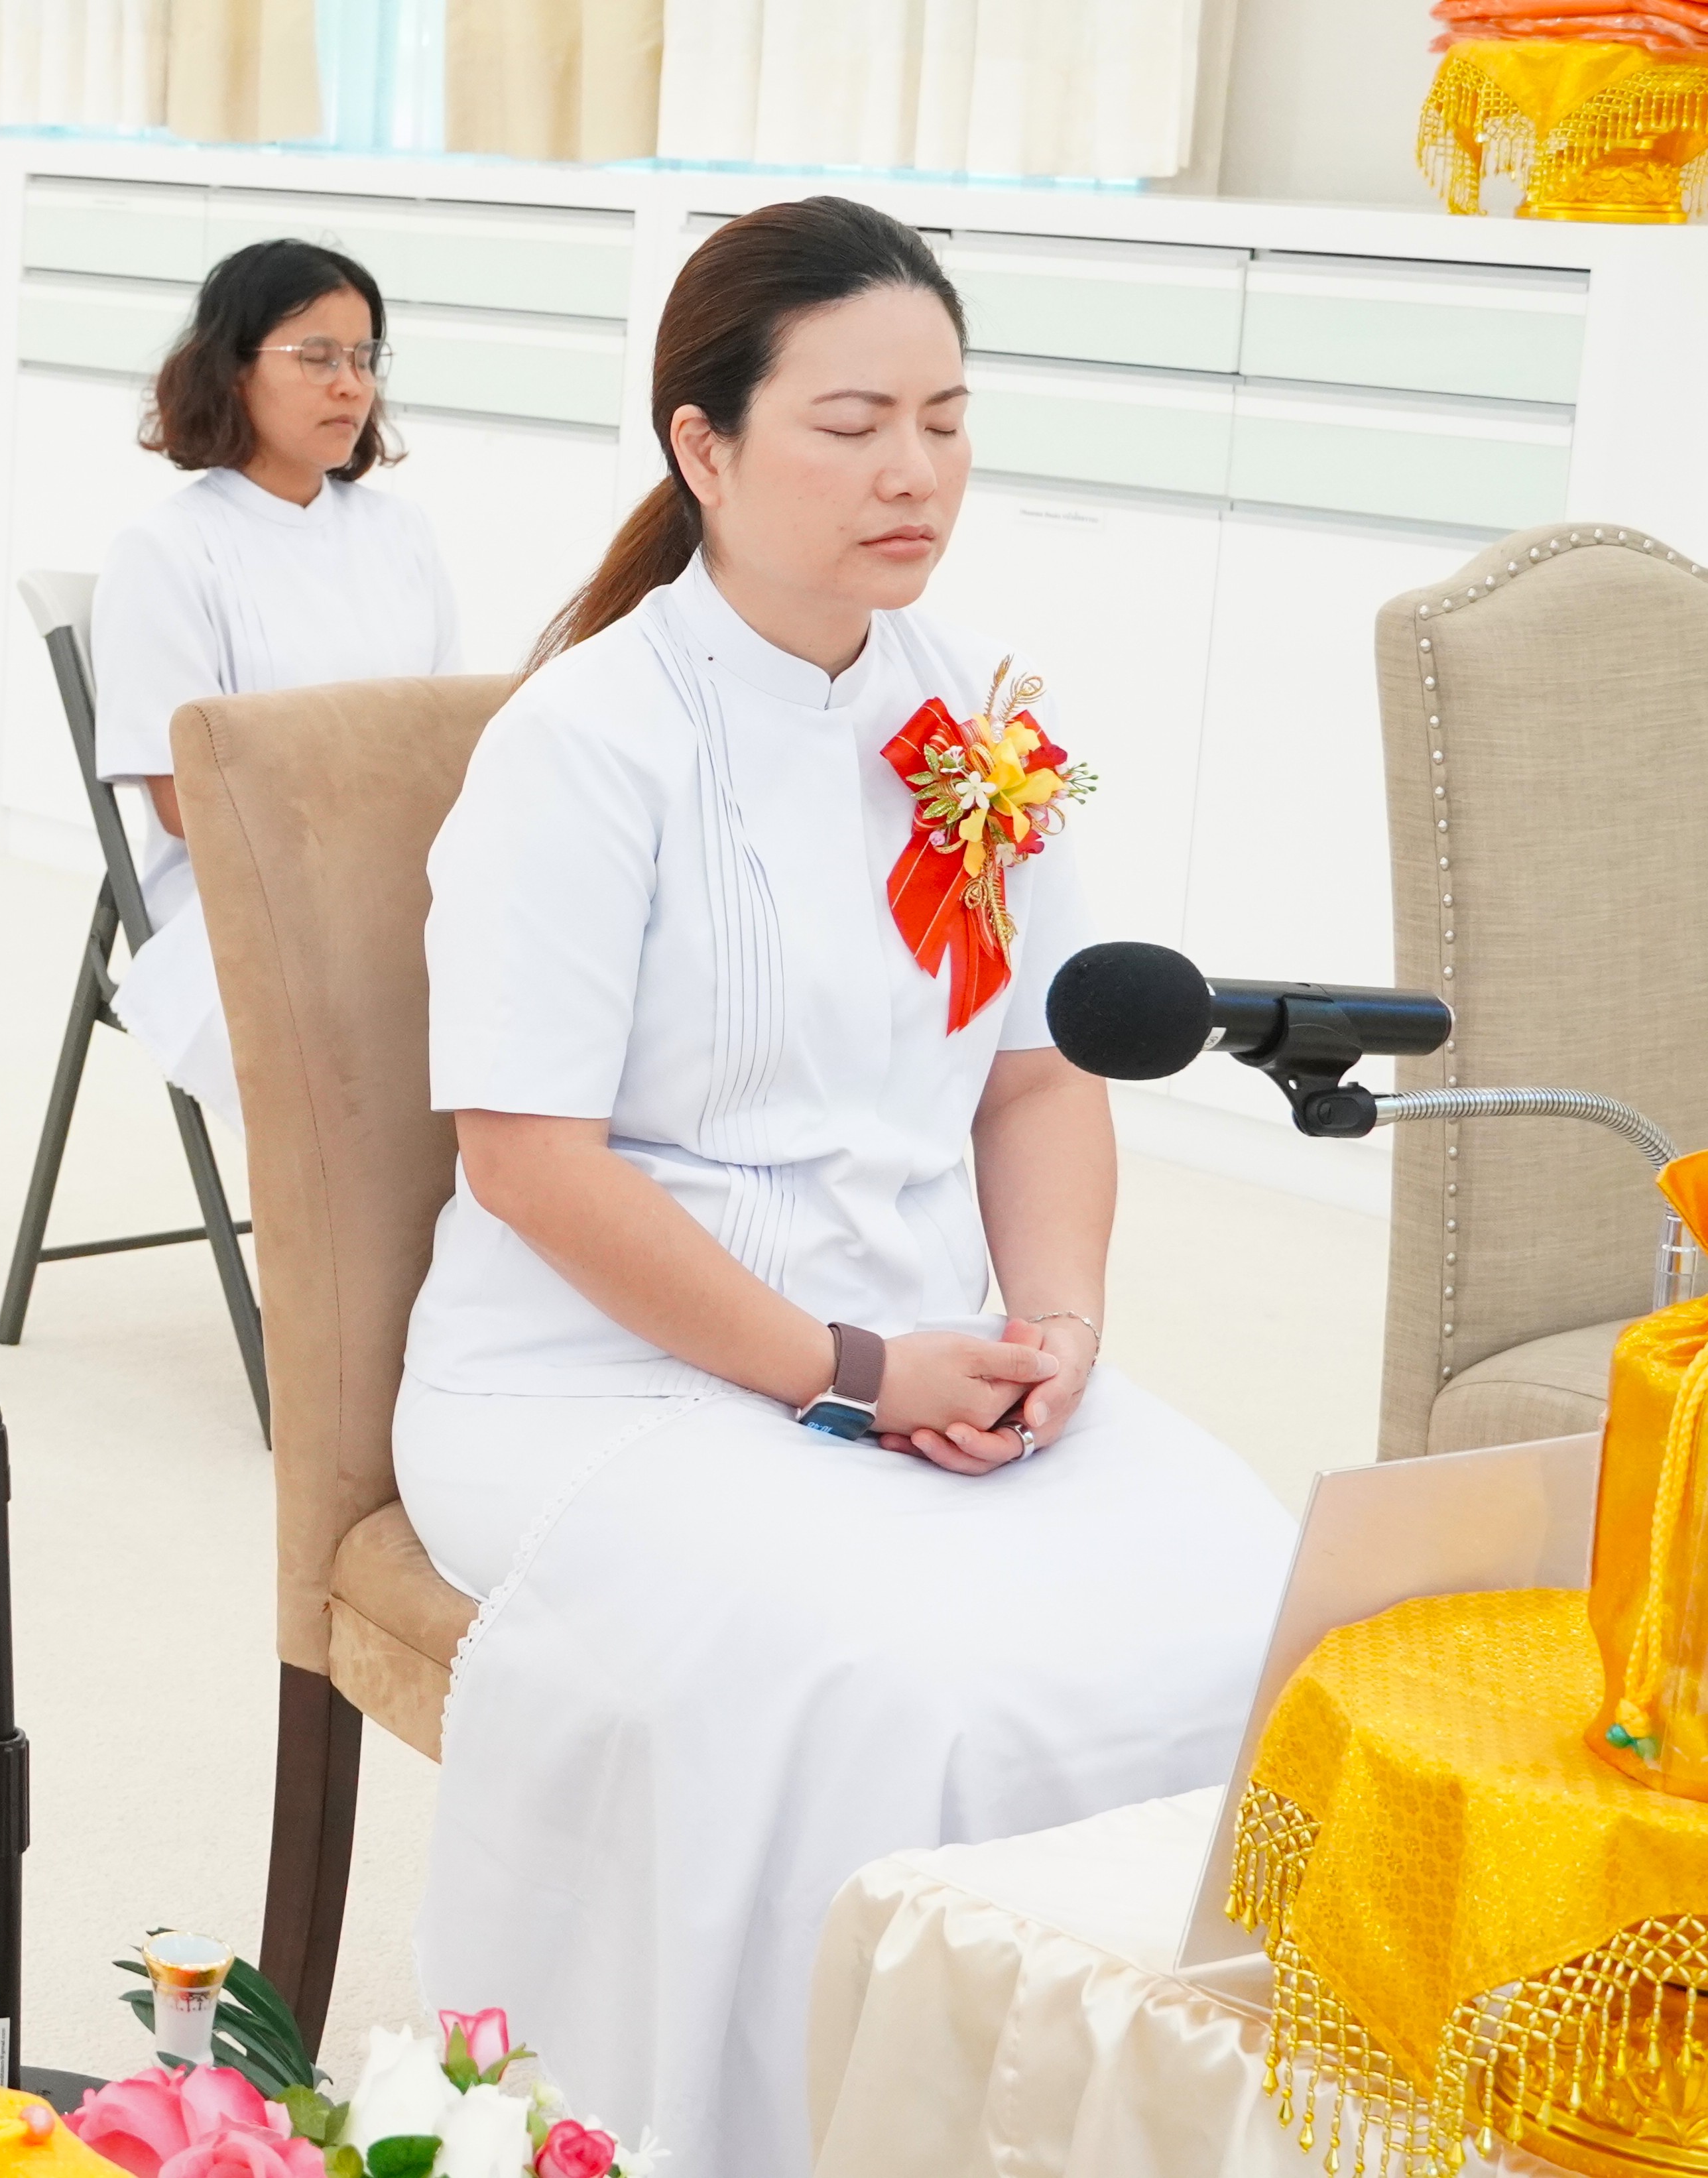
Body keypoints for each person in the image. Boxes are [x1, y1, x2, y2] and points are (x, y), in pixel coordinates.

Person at [394, 198, 1294, 2178]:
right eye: (854, 420)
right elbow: (527, 1163)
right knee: (913, 1687)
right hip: (596, 1370)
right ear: (701, 445)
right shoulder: (588, 742)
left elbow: (1047, 1062)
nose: (916, 471)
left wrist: (1056, 1328)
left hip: (935, 1333)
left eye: (949, 420)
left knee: (1261, 1604)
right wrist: (847, 1367)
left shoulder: (968, 707)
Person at [94, 238, 461, 1133]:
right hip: (248, 896)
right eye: (318, 357)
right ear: (230, 372)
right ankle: (359, 1262)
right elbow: (188, 805)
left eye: (366, 358)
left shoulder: (399, 534)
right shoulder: (168, 551)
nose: (352, 385)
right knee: (381, 1025)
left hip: (411, 877)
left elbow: (453, 737)